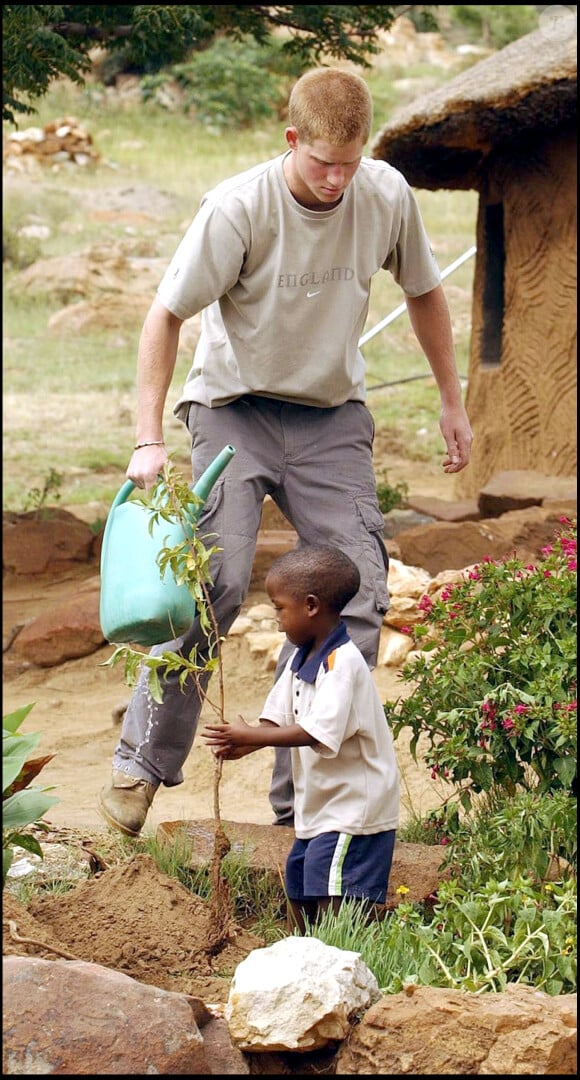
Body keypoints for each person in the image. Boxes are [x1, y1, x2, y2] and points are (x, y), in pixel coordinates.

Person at [98, 66, 472, 838]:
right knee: (214, 586)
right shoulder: (239, 208)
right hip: (233, 409)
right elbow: (164, 317)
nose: (336, 180)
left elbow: (425, 292)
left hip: (331, 417)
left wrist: (451, 399)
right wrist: (147, 439)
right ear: (291, 139)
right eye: (321, 162)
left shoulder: (385, 194)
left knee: (357, 591)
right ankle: (140, 768)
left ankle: (305, 804)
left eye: (350, 162)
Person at [202, 545, 400, 931]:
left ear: (310, 606)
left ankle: (341, 951)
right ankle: (300, 951)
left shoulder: (342, 664)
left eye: (279, 608)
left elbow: (313, 731)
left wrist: (252, 734)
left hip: (354, 811)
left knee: (334, 889)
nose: (276, 620)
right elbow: (278, 719)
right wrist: (250, 741)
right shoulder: (300, 657)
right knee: (299, 879)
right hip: (321, 807)